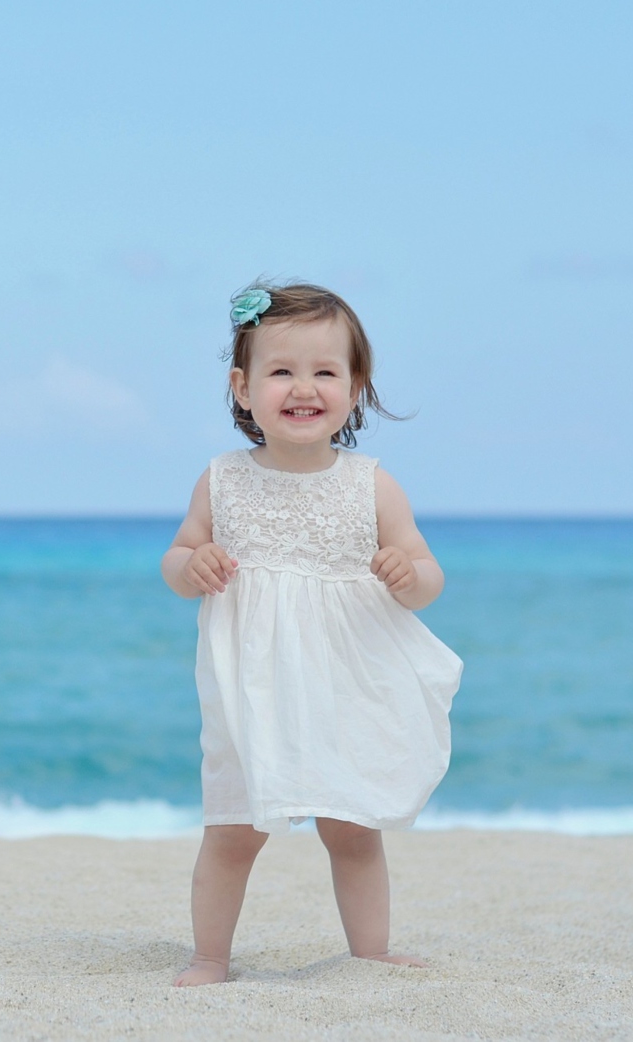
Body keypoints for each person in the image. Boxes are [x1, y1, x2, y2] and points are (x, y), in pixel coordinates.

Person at [161, 282, 463, 986]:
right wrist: (193, 564)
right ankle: (210, 957)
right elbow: (177, 559)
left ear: (355, 387)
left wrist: (405, 574)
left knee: (352, 828)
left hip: (348, 677)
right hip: (254, 682)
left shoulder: (371, 485)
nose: (304, 387)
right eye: (281, 371)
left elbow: (428, 575)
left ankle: (369, 953)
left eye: (325, 371)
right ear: (243, 387)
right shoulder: (222, 481)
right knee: (233, 827)